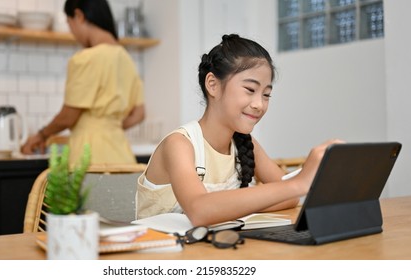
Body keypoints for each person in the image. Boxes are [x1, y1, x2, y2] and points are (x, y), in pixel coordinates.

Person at [136, 34, 343, 226]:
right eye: (250, 90)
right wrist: (299, 183)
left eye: (266, 94)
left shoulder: (246, 143)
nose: (259, 104)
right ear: (213, 85)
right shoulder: (180, 144)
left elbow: (289, 198)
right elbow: (199, 210)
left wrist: (230, 208)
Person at [21, 0, 145, 166]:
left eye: (69, 24)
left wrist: (41, 135)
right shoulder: (126, 59)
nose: (73, 34)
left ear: (79, 16)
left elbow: (68, 117)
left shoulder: (86, 58)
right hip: (122, 156)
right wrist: (108, 128)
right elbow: (139, 114)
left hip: (89, 157)